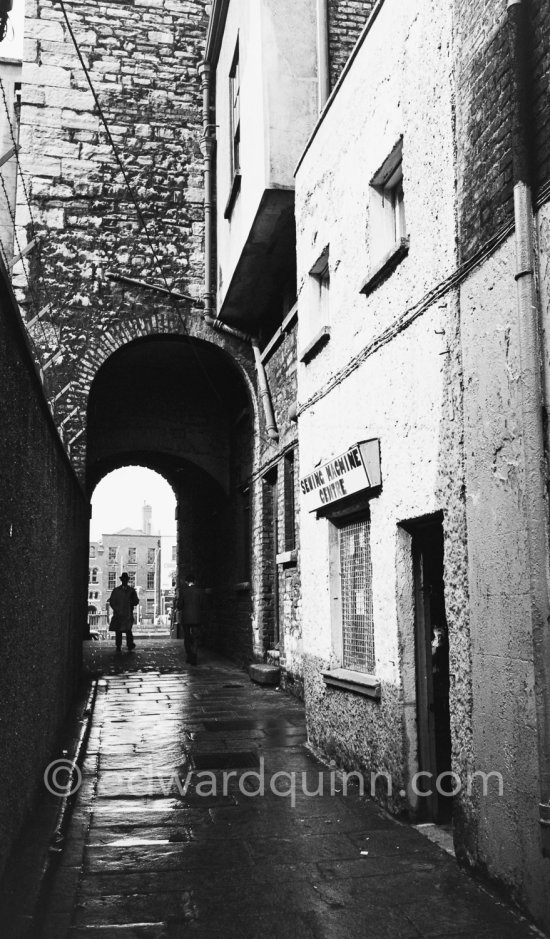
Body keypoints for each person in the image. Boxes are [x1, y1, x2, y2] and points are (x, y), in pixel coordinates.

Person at [177, 574, 204, 665]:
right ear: (194, 581)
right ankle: (194, 656)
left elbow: (179, 606)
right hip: (197, 618)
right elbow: (203, 605)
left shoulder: (183, 591)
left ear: (186, 582)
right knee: (196, 637)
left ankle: (189, 656)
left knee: (187, 637)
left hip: (186, 618)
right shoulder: (200, 591)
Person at [108, 572, 139, 652]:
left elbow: (136, 601)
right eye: (124, 579)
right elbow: (112, 601)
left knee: (128, 630)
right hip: (119, 614)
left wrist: (132, 602)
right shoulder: (116, 590)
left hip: (127, 613)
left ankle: (129, 644)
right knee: (119, 631)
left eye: (126, 579)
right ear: (122, 580)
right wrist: (116, 609)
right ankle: (119, 645)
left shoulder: (131, 591)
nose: (125, 581)